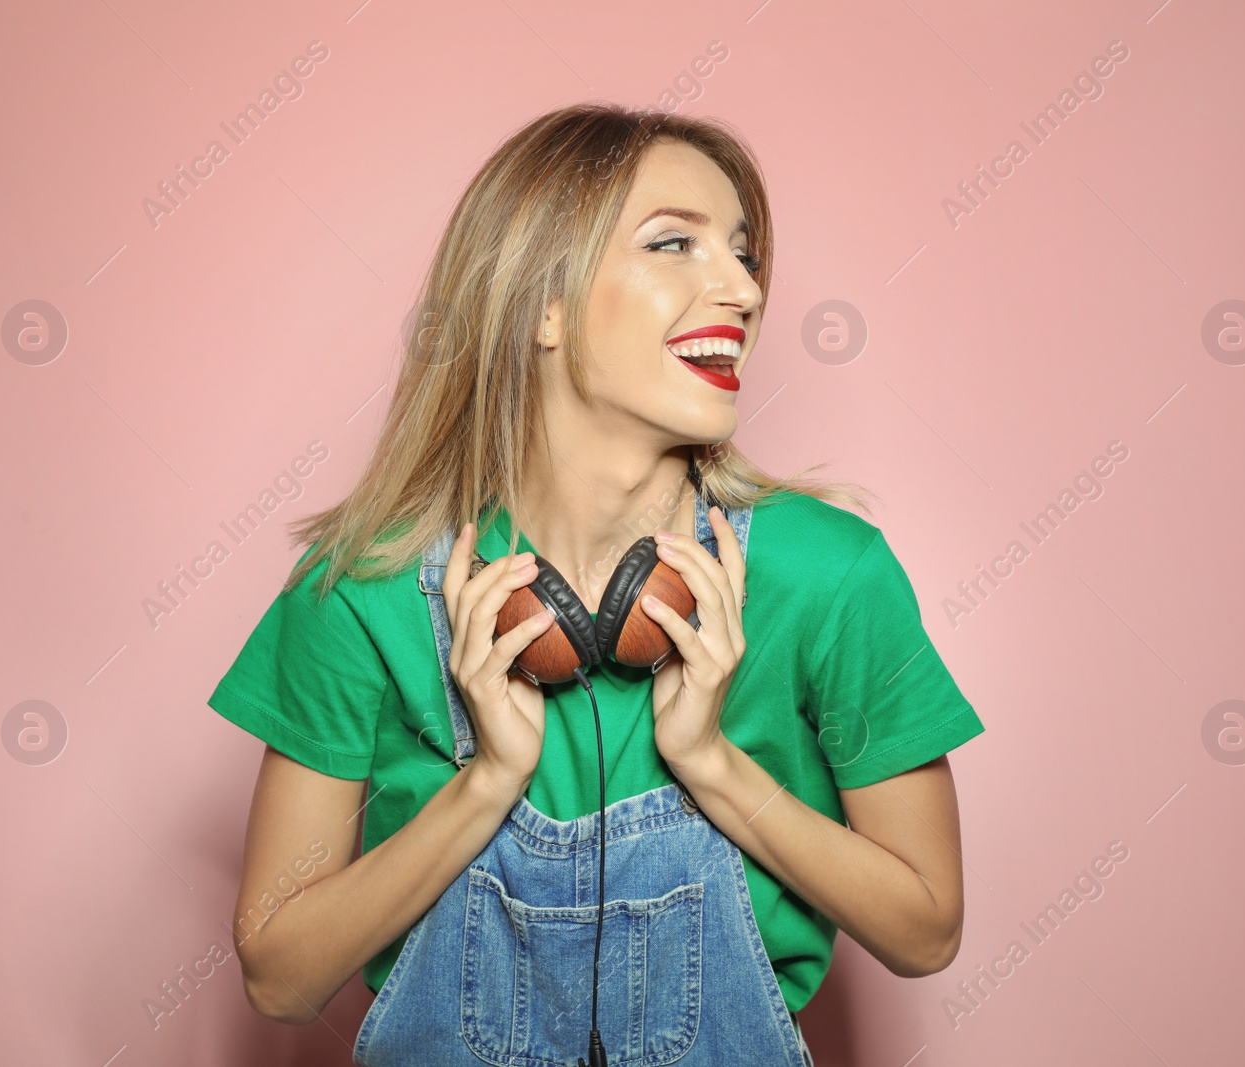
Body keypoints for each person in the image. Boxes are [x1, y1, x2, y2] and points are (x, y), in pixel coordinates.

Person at [207, 102, 986, 1067]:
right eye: (675, 244)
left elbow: (926, 930)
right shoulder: (360, 592)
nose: (741, 288)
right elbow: (279, 980)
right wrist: (486, 779)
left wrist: (711, 761)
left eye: (743, 254)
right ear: (543, 305)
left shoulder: (828, 573)